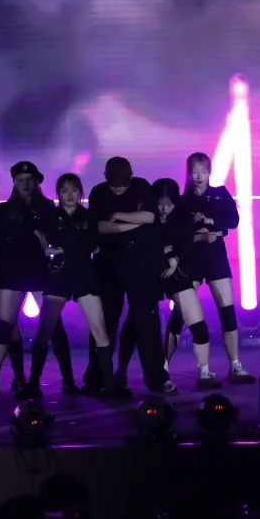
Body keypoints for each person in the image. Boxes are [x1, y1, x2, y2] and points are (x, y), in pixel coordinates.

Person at [18, 173, 120, 399]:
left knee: (100, 331)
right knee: (44, 331)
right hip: (59, 275)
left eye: (73, 190)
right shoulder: (51, 216)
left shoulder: (89, 216)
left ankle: (109, 385)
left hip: (84, 275)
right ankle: (33, 382)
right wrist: (40, 233)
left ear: (80, 192)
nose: (70, 195)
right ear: (59, 194)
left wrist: (64, 247)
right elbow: (45, 239)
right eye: (64, 191)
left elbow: (92, 245)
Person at [83, 156, 175, 394]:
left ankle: (156, 377)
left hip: (141, 262)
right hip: (109, 263)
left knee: (147, 321)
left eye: (122, 186)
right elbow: (101, 227)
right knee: (104, 321)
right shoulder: (98, 193)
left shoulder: (141, 186)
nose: (117, 189)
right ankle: (97, 378)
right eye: (114, 186)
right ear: (106, 178)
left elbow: (150, 216)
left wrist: (117, 215)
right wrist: (132, 222)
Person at [0, 161, 56, 397]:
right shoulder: (3, 210)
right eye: (21, 180)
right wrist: (30, 231)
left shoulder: (47, 207)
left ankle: (33, 381)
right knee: (5, 325)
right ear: (14, 182)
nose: (26, 184)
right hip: (13, 269)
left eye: (30, 179)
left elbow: (53, 233)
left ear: (37, 182)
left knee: (48, 326)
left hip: (40, 270)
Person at [178, 152, 254, 384]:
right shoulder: (182, 201)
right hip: (191, 258)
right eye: (194, 171)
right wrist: (197, 231)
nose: (199, 176)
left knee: (227, 313)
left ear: (209, 172)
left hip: (215, 257)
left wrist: (211, 223)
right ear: (188, 174)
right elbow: (177, 231)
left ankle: (235, 365)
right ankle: (187, 370)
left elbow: (233, 221)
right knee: (179, 315)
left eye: (203, 171)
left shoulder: (220, 194)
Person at [154, 178, 222, 389]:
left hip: (178, 274)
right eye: (160, 204)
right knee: (141, 329)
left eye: (169, 204)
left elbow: (186, 243)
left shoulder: (182, 218)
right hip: (149, 276)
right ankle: (160, 373)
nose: (164, 209)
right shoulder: (147, 219)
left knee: (198, 325)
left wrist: (174, 257)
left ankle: (204, 372)